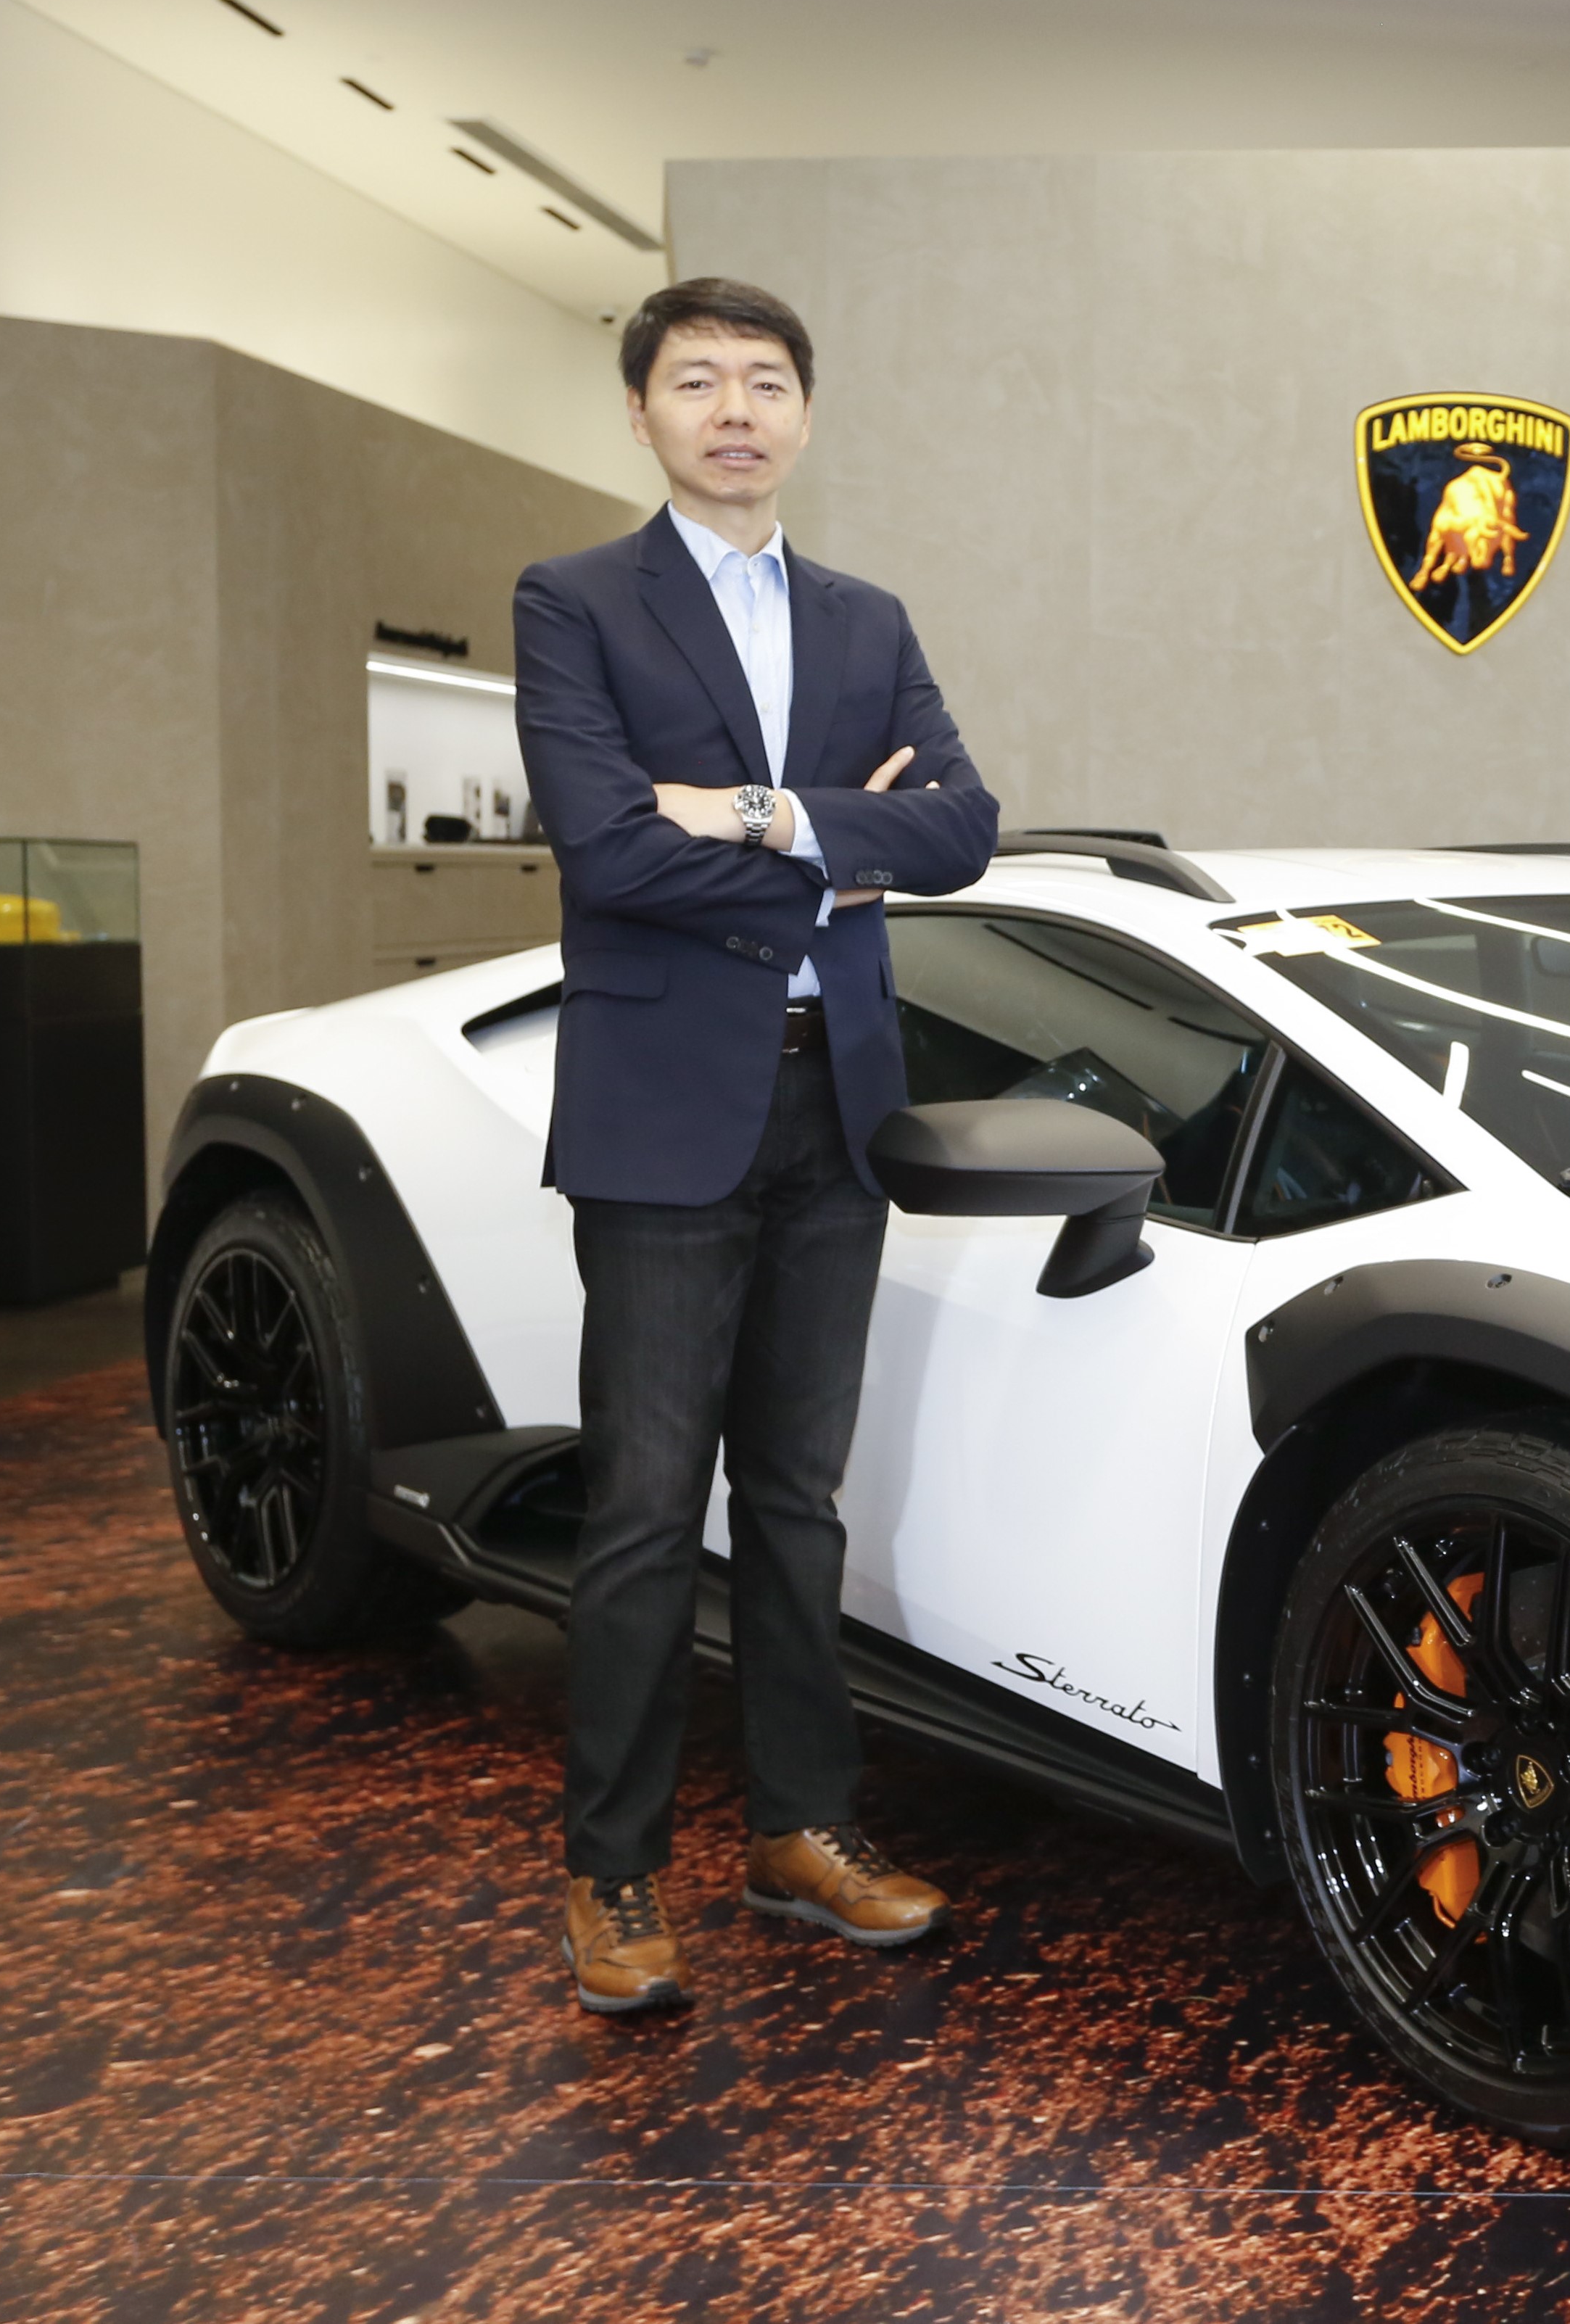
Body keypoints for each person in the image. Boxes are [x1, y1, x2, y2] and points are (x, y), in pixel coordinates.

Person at [515, 278, 1003, 2012]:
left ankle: (801, 1826)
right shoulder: (576, 601)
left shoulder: (867, 617)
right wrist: (831, 856)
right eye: (698, 379)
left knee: (795, 1500)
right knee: (647, 1507)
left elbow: (962, 829)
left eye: (768, 380)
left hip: (834, 1101)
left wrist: (765, 810)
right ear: (641, 410)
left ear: (806, 410)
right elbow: (604, 851)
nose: (737, 407)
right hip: (663, 1109)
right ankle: (613, 1868)